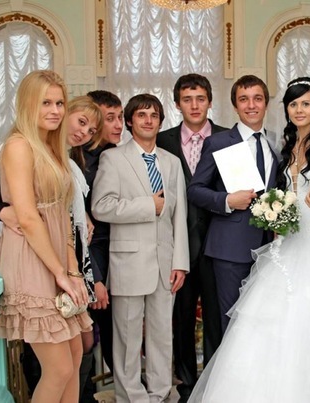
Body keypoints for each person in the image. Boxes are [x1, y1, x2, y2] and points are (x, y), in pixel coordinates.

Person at [188, 77, 310, 403]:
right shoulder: (284, 146)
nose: (299, 110)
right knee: (261, 324)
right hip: (282, 244)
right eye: (293, 104)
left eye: (306, 104)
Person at [0, 70, 92, 402]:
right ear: (27, 104)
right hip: (31, 259)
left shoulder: (51, 147)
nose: (55, 110)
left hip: (56, 259)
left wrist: (72, 269)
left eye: (60, 103)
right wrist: (60, 273)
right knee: (59, 368)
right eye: (45, 103)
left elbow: (63, 215)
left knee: (75, 357)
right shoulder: (18, 146)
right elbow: (28, 218)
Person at [92, 93, 189, 402]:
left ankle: (160, 393)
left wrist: (180, 262)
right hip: (128, 262)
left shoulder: (172, 162)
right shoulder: (113, 159)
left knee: (162, 335)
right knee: (128, 336)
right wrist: (148, 205)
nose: (149, 120)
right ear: (130, 121)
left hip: (165, 263)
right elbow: (101, 206)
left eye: (154, 115)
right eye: (142, 115)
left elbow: (179, 215)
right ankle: (131, 396)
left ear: (161, 122)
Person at [156, 73, 227, 402]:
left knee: (217, 318)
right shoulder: (162, 141)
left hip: (218, 243)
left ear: (210, 101)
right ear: (177, 104)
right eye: (187, 99)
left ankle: (214, 384)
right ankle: (185, 387)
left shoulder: (229, 138)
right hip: (177, 247)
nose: (194, 105)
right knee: (181, 319)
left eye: (200, 98)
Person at [187, 75, 278, 332]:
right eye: (244, 99)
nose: (251, 105)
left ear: (266, 103)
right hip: (230, 249)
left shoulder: (276, 143)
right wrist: (227, 200)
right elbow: (194, 190)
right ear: (235, 106)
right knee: (234, 323)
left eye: (257, 99)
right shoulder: (218, 142)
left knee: (265, 321)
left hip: (271, 247)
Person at [85, 90, 124, 373]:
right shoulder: (78, 160)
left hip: (119, 250)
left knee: (116, 327)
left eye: (120, 117)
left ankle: (125, 384)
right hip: (89, 255)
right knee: (90, 330)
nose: (119, 125)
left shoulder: (119, 156)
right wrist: (96, 277)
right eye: (110, 118)